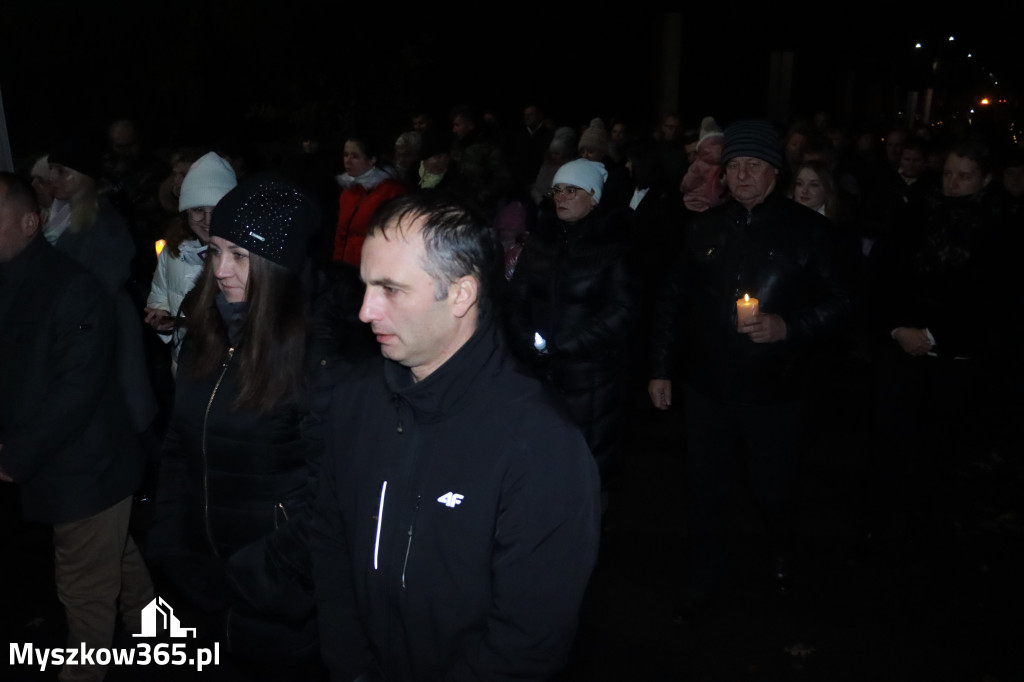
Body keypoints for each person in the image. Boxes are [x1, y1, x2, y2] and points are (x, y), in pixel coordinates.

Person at [311, 192, 601, 682]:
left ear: (461, 294)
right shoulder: (355, 401)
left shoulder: (541, 446)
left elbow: (527, 642)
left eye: (390, 289)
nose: (365, 311)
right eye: (365, 287)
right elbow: (330, 546)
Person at [649, 120, 854, 618]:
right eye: (735, 166)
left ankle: (784, 550)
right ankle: (704, 577)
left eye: (754, 166)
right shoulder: (703, 228)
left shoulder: (811, 232)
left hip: (775, 390)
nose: (742, 175)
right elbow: (673, 302)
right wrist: (660, 369)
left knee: (773, 487)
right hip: (708, 387)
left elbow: (845, 302)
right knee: (705, 487)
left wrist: (790, 326)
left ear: (775, 173)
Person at [147, 174, 345, 676]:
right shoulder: (207, 330)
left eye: (240, 255)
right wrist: (172, 540)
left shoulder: (318, 355)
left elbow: (332, 496)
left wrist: (256, 574)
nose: (223, 270)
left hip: (278, 602)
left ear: (280, 264)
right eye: (215, 252)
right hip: (202, 590)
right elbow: (177, 446)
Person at [0, 172, 153, 682]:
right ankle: (166, 643)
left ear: (29, 222)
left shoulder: (71, 285)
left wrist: (14, 455)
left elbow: (76, 389)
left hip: (85, 468)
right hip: (72, 468)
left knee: (84, 598)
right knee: (118, 563)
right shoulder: (15, 278)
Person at [506, 158, 635, 487]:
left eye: (572, 191)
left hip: (590, 375)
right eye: (557, 190)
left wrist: (568, 345)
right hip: (538, 369)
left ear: (593, 197)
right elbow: (516, 296)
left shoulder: (613, 247)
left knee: (584, 466)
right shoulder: (539, 242)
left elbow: (621, 309)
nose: (561, 197)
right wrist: (525, 339)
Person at [144, 151, 237, 373]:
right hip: (184, 363)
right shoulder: (173, 250)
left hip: (228, 369)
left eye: (216, 211)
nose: (206, 220)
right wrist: (163, 321)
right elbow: (159, 295)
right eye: (197, 210)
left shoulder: (243, 255)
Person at [332, 135, 405, 265]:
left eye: (355, 156)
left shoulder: (391, 192)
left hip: (371, 268)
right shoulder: (348, 191)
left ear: (372, 160)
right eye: (345, 155)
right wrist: (337, 262)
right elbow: (341, 233)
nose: (347, 161)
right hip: (346, 267)